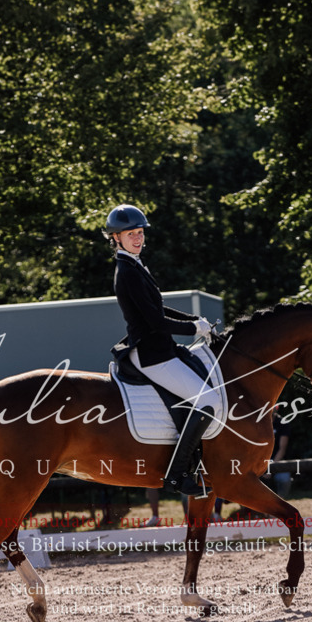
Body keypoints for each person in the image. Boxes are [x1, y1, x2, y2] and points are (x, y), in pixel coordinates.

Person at [105, 203, 216, 497]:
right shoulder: (126, 271)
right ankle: (177, 474)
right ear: (116, 238)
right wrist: (193, 330)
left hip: (162, 348)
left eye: (140, 232)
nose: (137, 238)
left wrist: (192, 320)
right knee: (208, 403)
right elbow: (154, 320)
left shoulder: (134, 264)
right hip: (153, 355)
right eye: (130, 234)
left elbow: (157, 307)